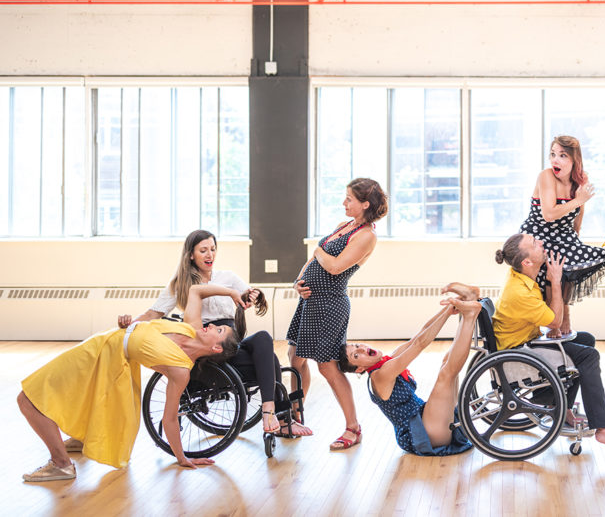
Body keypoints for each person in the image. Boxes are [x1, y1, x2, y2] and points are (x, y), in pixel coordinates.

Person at [18, 283, 242, 481]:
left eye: (219, 330)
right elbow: (196, 290)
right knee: (62, 397)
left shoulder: (180, 370)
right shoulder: (190, 326)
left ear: (216, 348)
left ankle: (61, 464)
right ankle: (77, 443)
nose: (212, 325)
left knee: (27, 399)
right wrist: (232, 293)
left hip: (109, 362)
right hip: (100, 347)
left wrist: (182, 458)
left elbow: (170, 419)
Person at [116, 229, 311, 437]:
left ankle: (275, 414)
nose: (210, 255)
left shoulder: (227, 277)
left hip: (229, 337)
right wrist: (130, 324)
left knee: (265, 344)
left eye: (213, 249)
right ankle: (280, 418)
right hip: (205, 341)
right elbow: (153, 313)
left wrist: (251, 296)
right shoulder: (180, 284)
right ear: (191, 254)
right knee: (269, 360)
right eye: (203, 250)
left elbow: (247, 293)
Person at [492, 232, 605, 458]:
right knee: (588, 356)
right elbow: (554, 321)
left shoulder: (520, 274)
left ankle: (561, 406)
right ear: (526, 261)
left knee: (585, 340)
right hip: (518, 354)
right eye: (535, 244)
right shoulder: (520, 293)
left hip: (523, 343)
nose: (541, 242)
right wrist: (555, 282)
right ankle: (604, 428)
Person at [287, 177, 387, 451]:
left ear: (365, 204)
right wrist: (299, 282)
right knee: (295, 357)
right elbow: (313, 262)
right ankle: (295, 415)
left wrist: (318, 250)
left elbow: (334, 267)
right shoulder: (345, 226)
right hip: (310, 302)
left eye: (349, 199)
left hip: (329, 305)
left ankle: (352, 427)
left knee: (328, 366)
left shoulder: (366, 235)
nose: (344, 203)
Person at [337, 283, 481, 456]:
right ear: (360, 369)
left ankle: (469, 305)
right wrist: (451, 308)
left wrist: (449, 309)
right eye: (356, 355)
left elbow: (420, 334)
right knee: (446, 374)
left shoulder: (386, 361)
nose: (360, 349)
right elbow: (420, 344)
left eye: (356, 345)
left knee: (446, 363)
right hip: (422, 434)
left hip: (427, 419)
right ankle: (470, 315)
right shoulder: (380, 376)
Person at [518, 135, 605, 320]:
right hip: (539, 234)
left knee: (581, 262)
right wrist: (579, 200)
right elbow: (549, 214)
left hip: (564, 235)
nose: (555, 159)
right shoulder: (546, 176)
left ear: (574, 160)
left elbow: (578, 217)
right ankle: (558, 322)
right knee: (555, 267)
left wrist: (576, 242)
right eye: (553, 154)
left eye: (563, 155)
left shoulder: (580, 180)